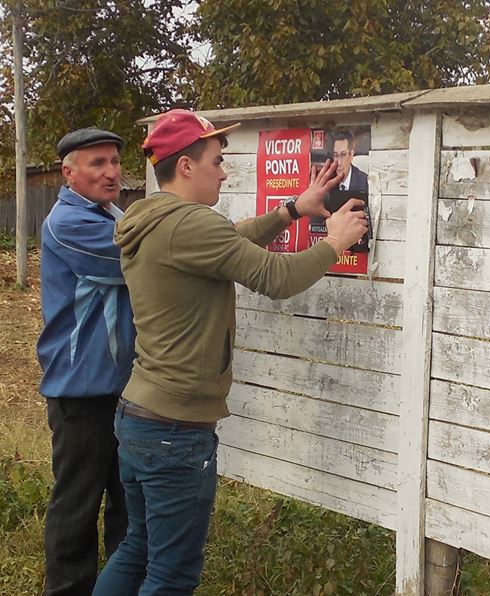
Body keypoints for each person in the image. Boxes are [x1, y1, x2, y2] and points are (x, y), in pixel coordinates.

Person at [92, 109, 368, 594]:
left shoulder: (154, 220)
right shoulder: (191, 224)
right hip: (175, 431)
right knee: (171, 574)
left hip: (140, 416)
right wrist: (335, 243)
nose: (223, 173)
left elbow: (227, 244)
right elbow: (276, 278)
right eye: (216, 162)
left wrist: (291, 210)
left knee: (137, 548)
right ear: (186, 166)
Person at [37, 127, 136, 596]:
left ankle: (121, 586)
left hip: (121, 387)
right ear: (69, 172)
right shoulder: (69, 223)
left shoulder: (111, 213)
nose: (111, 172)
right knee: (77, 507)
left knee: (127, 502)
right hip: (82, 392)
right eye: (97, 163)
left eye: (114, 161)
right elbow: (140, 261)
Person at [332, 128, 368, 192]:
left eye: (343, 155)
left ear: (351, 155)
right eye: (336, 155)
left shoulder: (364, 183)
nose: (339, 163)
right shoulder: (328, 182)